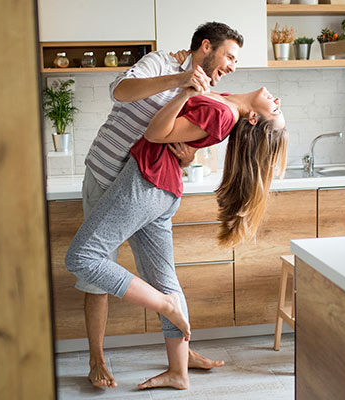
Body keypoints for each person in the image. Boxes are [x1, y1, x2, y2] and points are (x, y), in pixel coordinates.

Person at [65, 85, 287, 390]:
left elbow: (158, 132)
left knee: (82, 257)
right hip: (164, 189)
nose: (277, 101)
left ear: (252, 118)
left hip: (147, 182)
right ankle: (178, 371)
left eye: (275, 110)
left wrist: (184, 91)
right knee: (164, 278)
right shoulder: (226, 101)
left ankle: (165, 305)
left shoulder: (224, 111)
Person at [74, 22, 243, 388]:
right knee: (94, 271)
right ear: (205, 46)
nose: (232, 65)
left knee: (163, 275)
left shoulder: (206, 91)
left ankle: (181, 354)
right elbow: (120, 91)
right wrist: (178, 82)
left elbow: (179, 142)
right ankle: (97, 358)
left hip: (144, 187)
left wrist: (184, 160)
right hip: (107, 175)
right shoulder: (161, 62)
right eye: (229, 55)